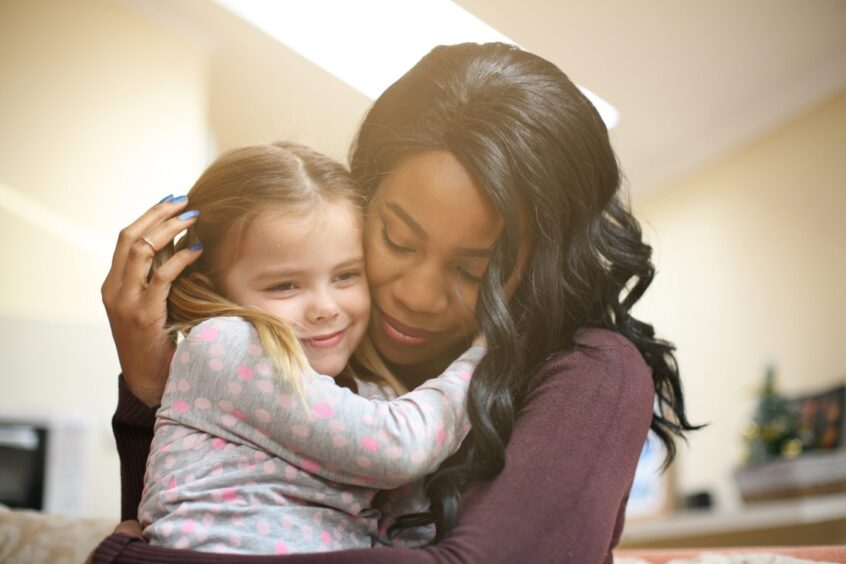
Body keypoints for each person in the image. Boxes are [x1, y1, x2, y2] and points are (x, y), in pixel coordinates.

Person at [94, 42, 697, 563]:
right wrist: (152, 391)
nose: (415, 295)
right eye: (397, 240)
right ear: (362, 200)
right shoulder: (324, 352)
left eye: (473, 270)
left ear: (540, 269)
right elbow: (196, 522)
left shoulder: (593, 373)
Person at [138, 142, 484, 554]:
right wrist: (488, 351)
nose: (325, 308)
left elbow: (408, 536)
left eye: (346, 275)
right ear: (215, 288)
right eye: (284, 285)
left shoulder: (376, 398)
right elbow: (401, 449)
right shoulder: (220, 343)